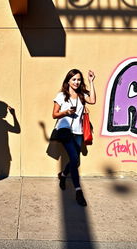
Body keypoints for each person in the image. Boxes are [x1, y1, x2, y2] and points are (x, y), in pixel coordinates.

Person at [52, 69, 96, 206]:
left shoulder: (82, 95)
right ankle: (78, 192)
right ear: (68, 81)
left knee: (74, 161)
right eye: (74, 79)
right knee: (74, 159)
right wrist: (66, 112)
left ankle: (63, 175)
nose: (76, 82)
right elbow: (54, 114)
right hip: (65, 130)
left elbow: (93, 100)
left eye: (79, 79)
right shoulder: (61, 96)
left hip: (78, 132)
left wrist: (91, 81)